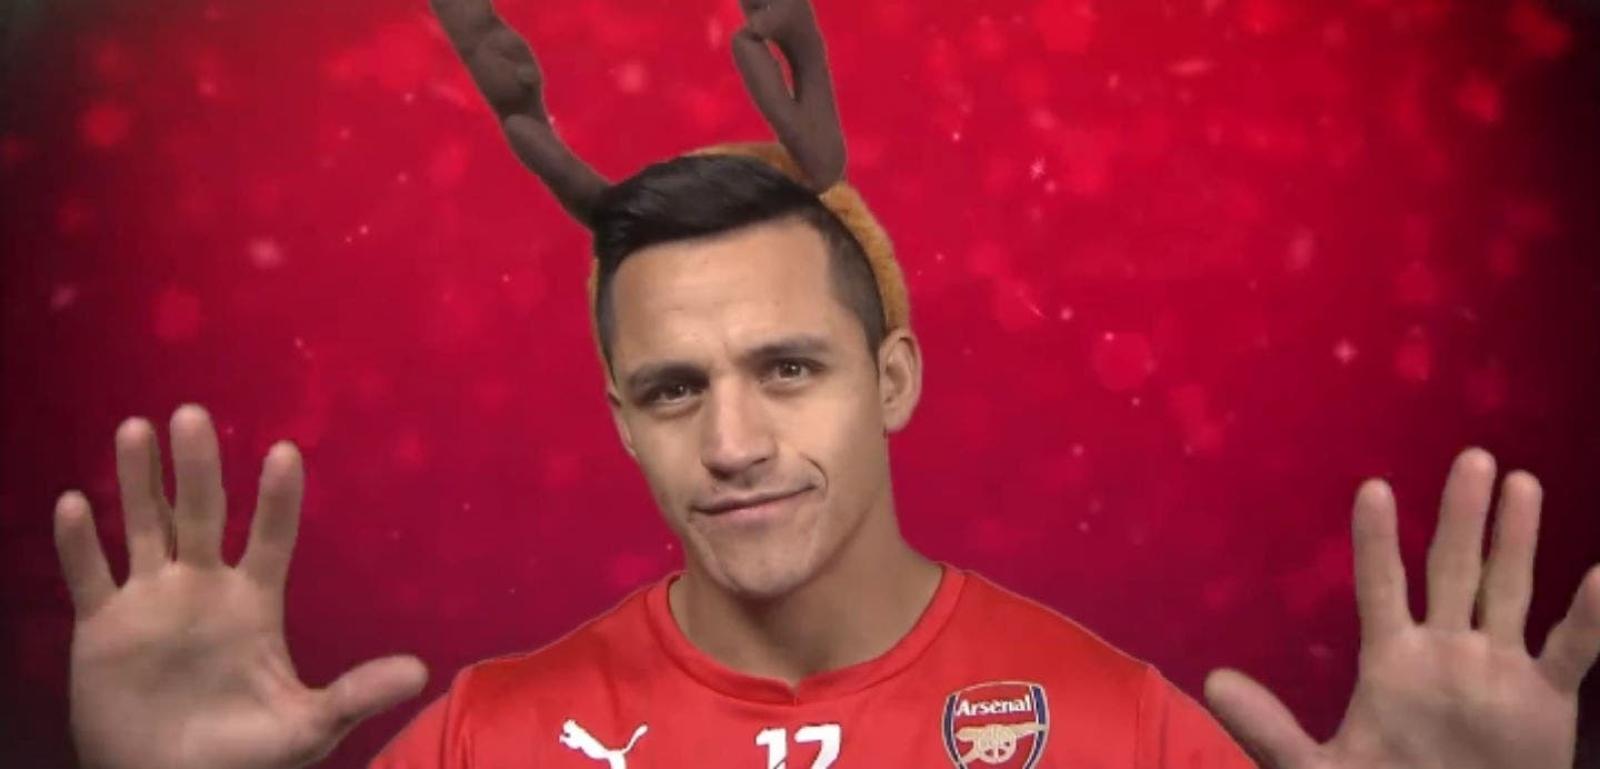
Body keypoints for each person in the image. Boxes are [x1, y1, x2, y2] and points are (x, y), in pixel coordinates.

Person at [51, 0, 1600, 768]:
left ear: (893, 375)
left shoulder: (1118, 726)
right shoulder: (488, 737)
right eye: (673, 390)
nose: (733, 441)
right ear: (620, 421)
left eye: (788, 367)